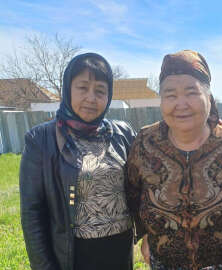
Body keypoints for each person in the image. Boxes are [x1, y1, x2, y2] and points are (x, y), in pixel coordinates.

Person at [126, 50, 222, 270]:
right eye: (170, 95)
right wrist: (145, 235)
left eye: (191, 92)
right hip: (167, 263)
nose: (181, 103)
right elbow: (133, 193)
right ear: (161, 100)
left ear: (208, 98)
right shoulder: (145, 142)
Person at [19, 52, 136, 270]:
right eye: (83, 87)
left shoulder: (122, 133)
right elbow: (32, 214)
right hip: (74, 256)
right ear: (67, 89)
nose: (91, 98)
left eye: (100, 90)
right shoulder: (41, 140)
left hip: (120, 252)